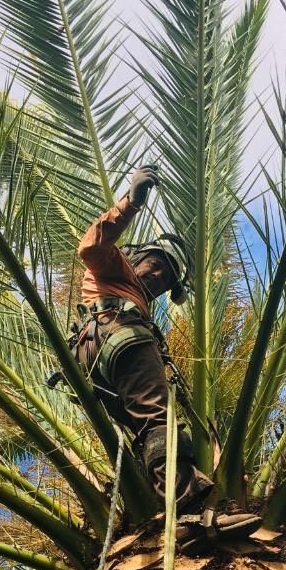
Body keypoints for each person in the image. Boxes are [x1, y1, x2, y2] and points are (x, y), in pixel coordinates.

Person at [74, 165, 214, 511]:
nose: (158, 277)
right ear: (137, 257)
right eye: (156, 264)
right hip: (119, 340)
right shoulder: (114, 265)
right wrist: (131, 202)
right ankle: (184, 506)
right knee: (158, 418)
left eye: (166, 278)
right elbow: (90, 247)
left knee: (143, 430)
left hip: (94, 363)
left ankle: (156, 498)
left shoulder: (134, 298)